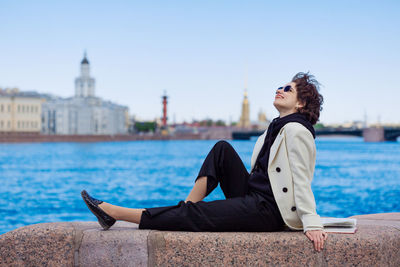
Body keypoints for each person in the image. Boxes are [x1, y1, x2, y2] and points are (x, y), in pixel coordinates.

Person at [81, 71, 328, 252]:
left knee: (198, 216)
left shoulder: (297, 130)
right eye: (281, 86)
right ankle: (185, 208)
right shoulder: (275, 128)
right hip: (254, 196)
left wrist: (311, 222)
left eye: (288, 89)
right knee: (222, 149)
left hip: (269, 210)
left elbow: (301, 179)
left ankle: (115, 213)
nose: (280, 89)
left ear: (300, 103)